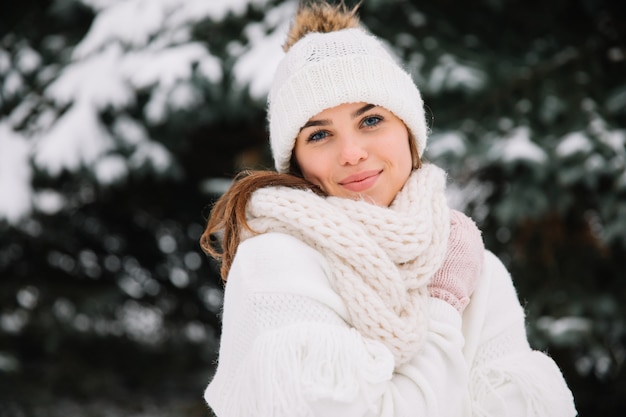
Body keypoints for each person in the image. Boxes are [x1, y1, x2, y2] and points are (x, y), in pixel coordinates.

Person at [199, 2, 577, 416]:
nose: (352, 153)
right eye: (320, 134)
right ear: (296, 160)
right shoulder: (275, 261)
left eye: (371, 121)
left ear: (410, 131)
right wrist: (443, 305)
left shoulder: (473, 265)